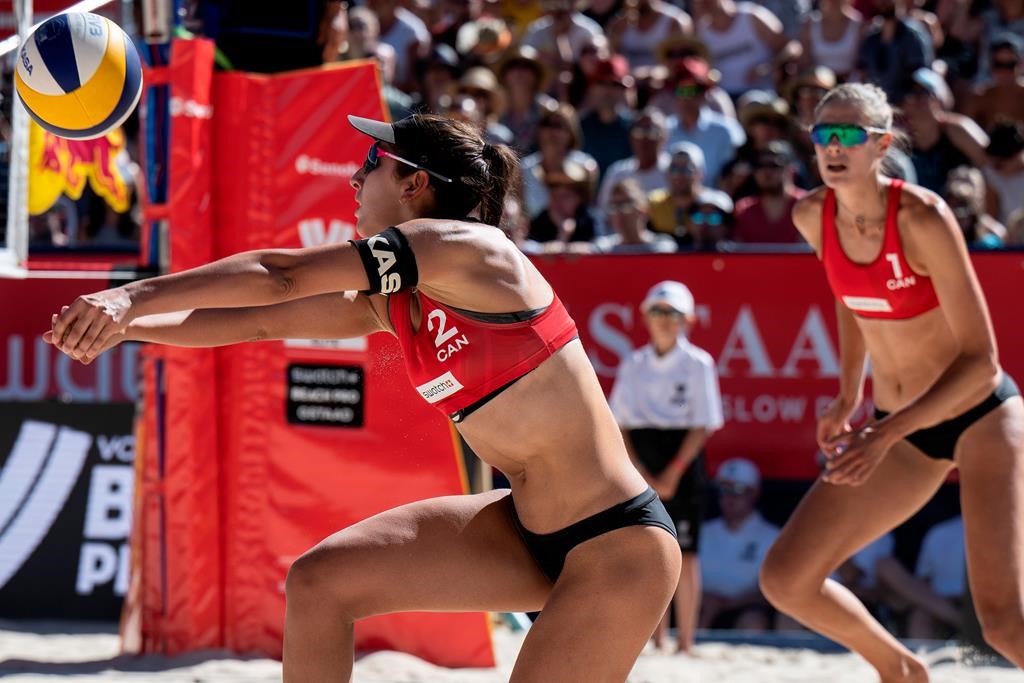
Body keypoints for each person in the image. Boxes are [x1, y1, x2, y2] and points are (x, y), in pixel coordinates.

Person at [47, 114, 682, 682]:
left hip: (616, 545)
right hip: (522, 529)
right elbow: (260, 321)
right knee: (319, 583)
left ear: (416, 184)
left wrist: (131, 296)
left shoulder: (471, 250)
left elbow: (281, 277)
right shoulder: (400, 296)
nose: (355, 178)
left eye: (371, 164)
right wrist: (125, 329)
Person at [758, 83, 1024, 681]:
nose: (832, 146)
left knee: (1004, 622)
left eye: (849, 135)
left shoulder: (922, 217)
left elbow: (982, 363)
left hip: (979, 415)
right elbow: (850, 299)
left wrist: (881, 436)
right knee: (786, 578)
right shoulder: (812, 215)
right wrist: (848, 393)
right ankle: (901, 670)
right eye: (823, 134)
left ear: (881, 144)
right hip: (900, 429)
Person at [610, 280, 723, 652]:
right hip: (642, 458)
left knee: (686, 555)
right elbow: (620, 424)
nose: (664, 320)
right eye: (657, 311)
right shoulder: (634, 363)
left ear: (687, 320)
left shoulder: (698, 364)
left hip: (682, 461)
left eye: (671, 313)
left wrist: (672, 472)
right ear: (645, 316)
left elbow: (702, 424)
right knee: (650, 549)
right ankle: (656, 639)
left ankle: (686, 642)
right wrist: (641, 471)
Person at [699, 458, 780, 632]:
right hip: (700, 606)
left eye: (737, 490)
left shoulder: (773, 536)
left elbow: (772, 591)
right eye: (723, 490)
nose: (729, 497)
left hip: (743, 609)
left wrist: (723, 604)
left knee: (754, 621)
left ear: (754, 493)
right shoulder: (702, 532)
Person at [594, 179, 678, 253]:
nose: (619, 212)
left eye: (626, 204)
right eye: (614, 206)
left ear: (644, 209)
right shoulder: (603, 249)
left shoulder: (661, 246)